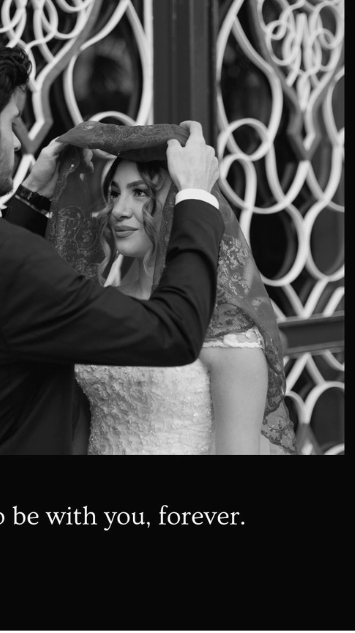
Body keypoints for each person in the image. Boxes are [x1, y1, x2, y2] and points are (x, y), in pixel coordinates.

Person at [0, 24, 224, 455]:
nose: (16, 142)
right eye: (11, 123)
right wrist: (195, 196)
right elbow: (172, 331)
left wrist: (31, 194)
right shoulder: (6, 259)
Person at [46, 121, 298, 455]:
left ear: (178, 201)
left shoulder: (228, 330)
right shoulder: (103, 302)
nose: (118, 210)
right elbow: (79, 430)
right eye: (115, 193)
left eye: (140, 193)